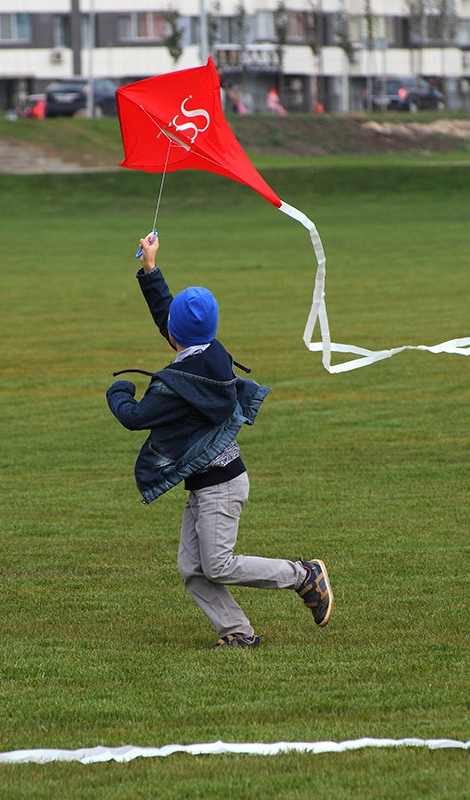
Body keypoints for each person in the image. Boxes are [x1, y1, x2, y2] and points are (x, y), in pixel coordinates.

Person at [106, 232, 333, 648]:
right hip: (213, 483)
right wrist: (150, 268)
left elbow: (134, 417)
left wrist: (118, 390)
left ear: (174, 335)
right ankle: (237, 633)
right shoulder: (211, 353)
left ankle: (304, 575)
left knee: (219, 564)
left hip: (221, 486)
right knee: (194, 569)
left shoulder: (181, 384)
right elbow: (171, 321)